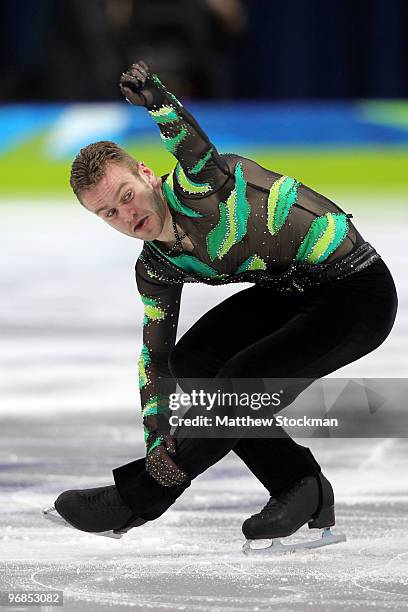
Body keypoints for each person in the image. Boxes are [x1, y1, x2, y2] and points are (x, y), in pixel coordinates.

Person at [49, 61, 398, 543]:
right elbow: (156, 363)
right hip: (291, 290)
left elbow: (193, 147)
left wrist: (156, 97)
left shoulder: (198, 188)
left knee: (237, 383)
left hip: (356, 291)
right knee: (195, 359)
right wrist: (157, 442)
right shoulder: (156, 267)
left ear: (148, 175)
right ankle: (299, 485)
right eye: (108, 213)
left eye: (126, 195)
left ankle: (142, 496)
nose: (127, 216)